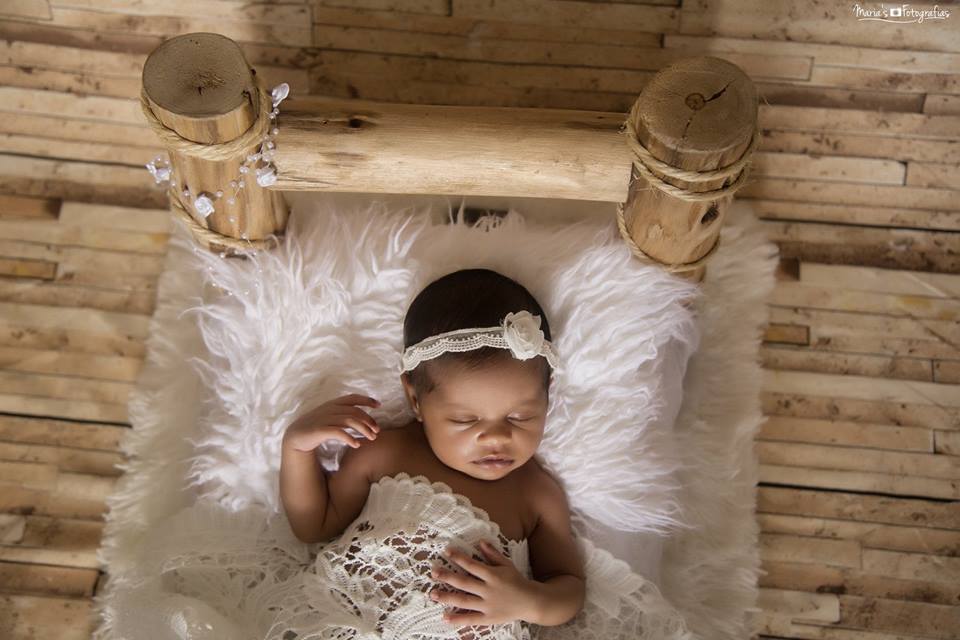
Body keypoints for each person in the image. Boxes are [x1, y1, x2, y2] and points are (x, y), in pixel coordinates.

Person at [279, 268, 586, 638]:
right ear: (415, 399)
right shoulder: (387, 453)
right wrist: (297, 449)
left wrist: (527, 602)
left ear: (548, 394)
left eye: (520, 417)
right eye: (464, 420)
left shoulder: (535, 493)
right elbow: (314, 527)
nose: (496, 437)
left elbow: (569, 590)